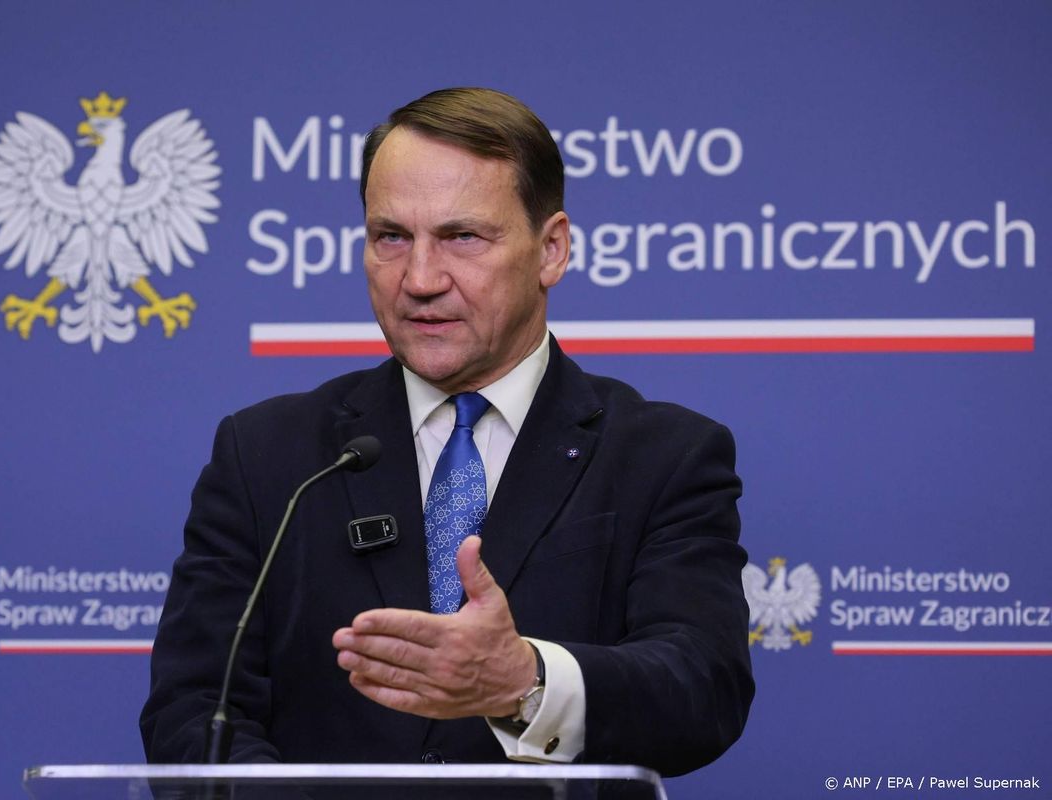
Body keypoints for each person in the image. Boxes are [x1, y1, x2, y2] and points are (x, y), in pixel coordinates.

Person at [140, 87, 753, 777]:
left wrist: (526, 682)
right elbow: (196, 709)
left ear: (551, 250)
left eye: (463, 237)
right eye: (391, 237)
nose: (420, 279)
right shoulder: (268, 455)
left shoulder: (664, 457)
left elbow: (703, 688)